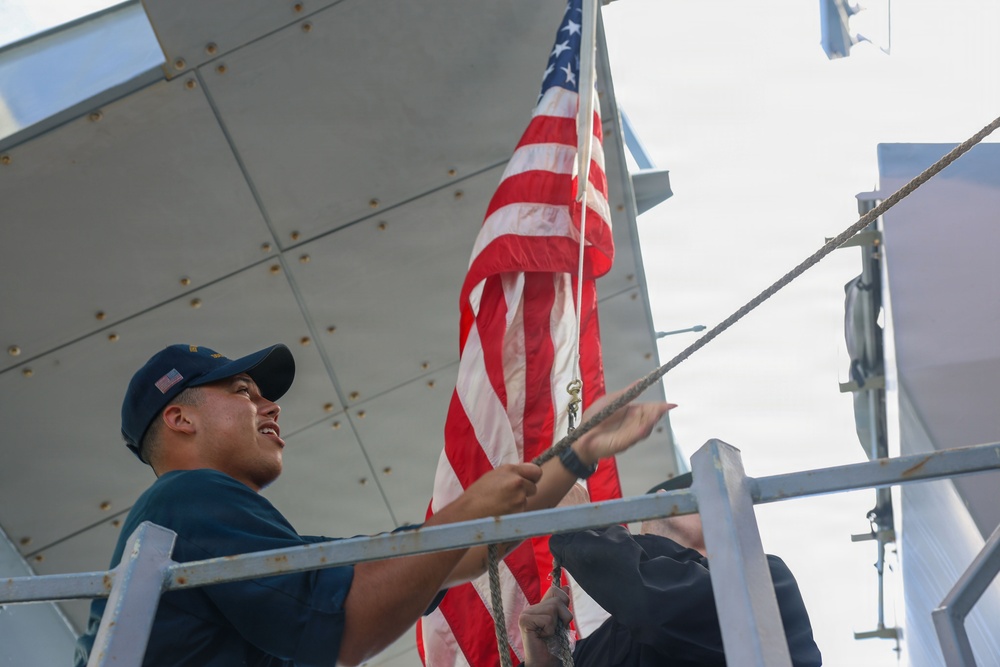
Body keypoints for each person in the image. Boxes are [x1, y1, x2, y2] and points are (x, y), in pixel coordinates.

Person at [73, 343, 671, 667]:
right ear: (177, 418)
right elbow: (345, 625)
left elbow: (446, 560)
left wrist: (579, 453)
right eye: (242, 392)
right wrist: (465, 512)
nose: (271, 406)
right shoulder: (189, 497)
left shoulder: (206, 519)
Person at [518, 474, 823, 667]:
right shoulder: (615, 635)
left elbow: (655, 604)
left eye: (688, 494)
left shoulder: (770, 582)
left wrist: (577, 524)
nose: (664, 491)